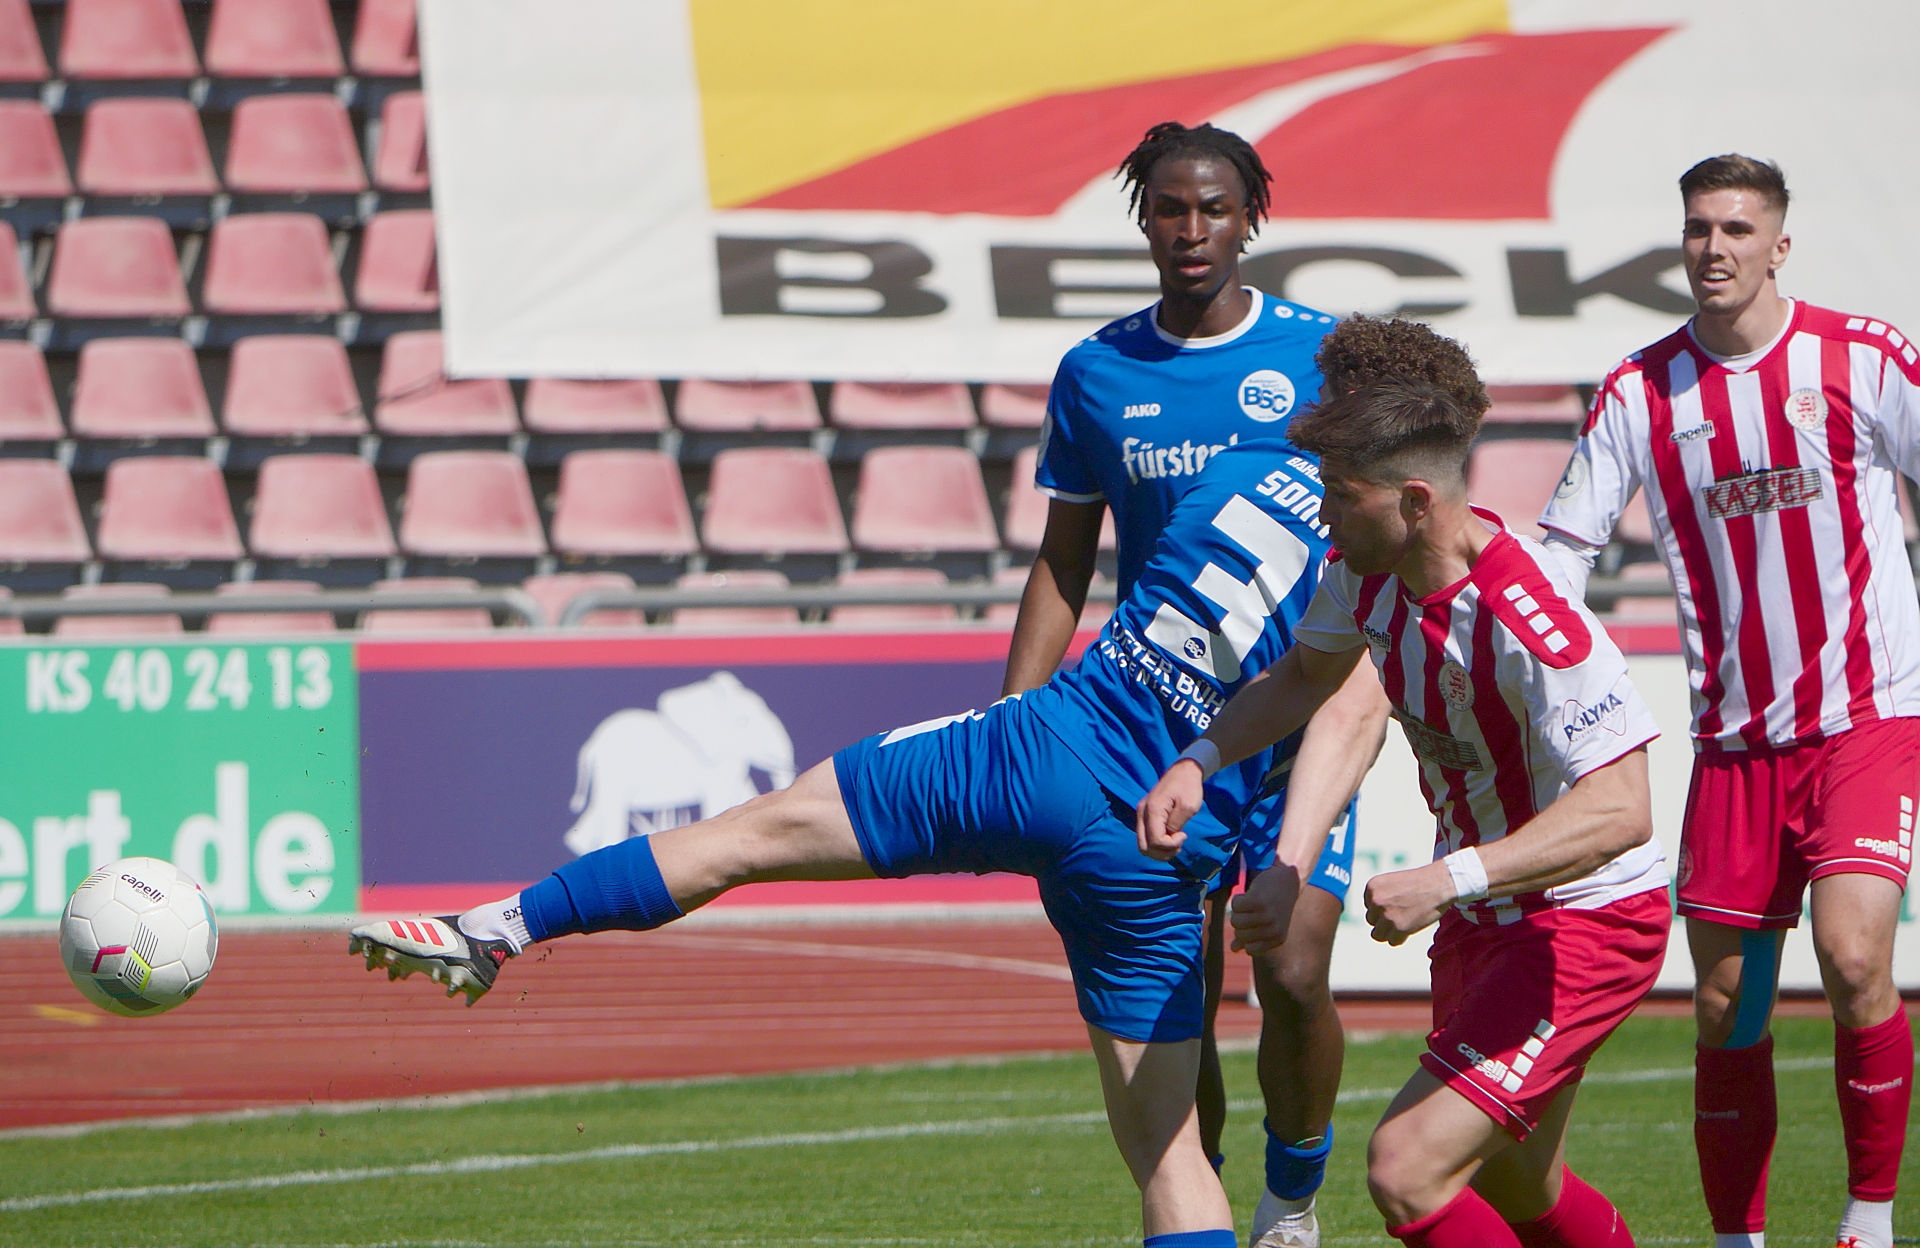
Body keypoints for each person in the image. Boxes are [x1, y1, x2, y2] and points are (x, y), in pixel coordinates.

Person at [348, 437, 1388, 1248]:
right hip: (1155, 843)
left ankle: (500, 925)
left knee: (746, 835)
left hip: (1032, 754)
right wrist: (1283, 855)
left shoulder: (1235, 466)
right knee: (1171, 1156)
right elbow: (1345, 710)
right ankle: (1288, 1204)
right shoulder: (1374, 553)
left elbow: (1118, 567)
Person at [1139, 369, 1671, 1248]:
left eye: (1341, 497)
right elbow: (1306, 680)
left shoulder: (1529, 614)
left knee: (1406, 1169)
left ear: (1416, 502)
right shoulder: (1365, 576)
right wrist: (1201, 759)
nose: (1324, 516)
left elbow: (1622, 809)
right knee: (1516, 1180)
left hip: (1583, 921)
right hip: (1484, 918)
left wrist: (1446, 878)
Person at [1537, 154, 1918, 1248]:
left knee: (1855, 959)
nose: (1716, 247)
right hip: (1735, 742)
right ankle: (1735, 1237)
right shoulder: (1641, 390)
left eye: (1739, 229)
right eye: (1700, 228)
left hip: (1867, 720)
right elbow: (1562, 551)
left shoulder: (1862, 355)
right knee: (1724, 1007)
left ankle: (1868, 1218)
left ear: (1780, 245)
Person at [1005, 118, 1356, 1248]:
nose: (1191, 228)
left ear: (1251, 218)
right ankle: (1197, 1201)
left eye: (1213, 208)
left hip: (1295, 710)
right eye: (1170, 208)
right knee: (1180, 997)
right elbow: (1065, 560)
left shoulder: (1323, 357)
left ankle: (1292, 1199)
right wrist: (1017, 714)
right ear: (1144, 221)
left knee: (1292, 965)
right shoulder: (1097, 372)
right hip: (1155, 729)